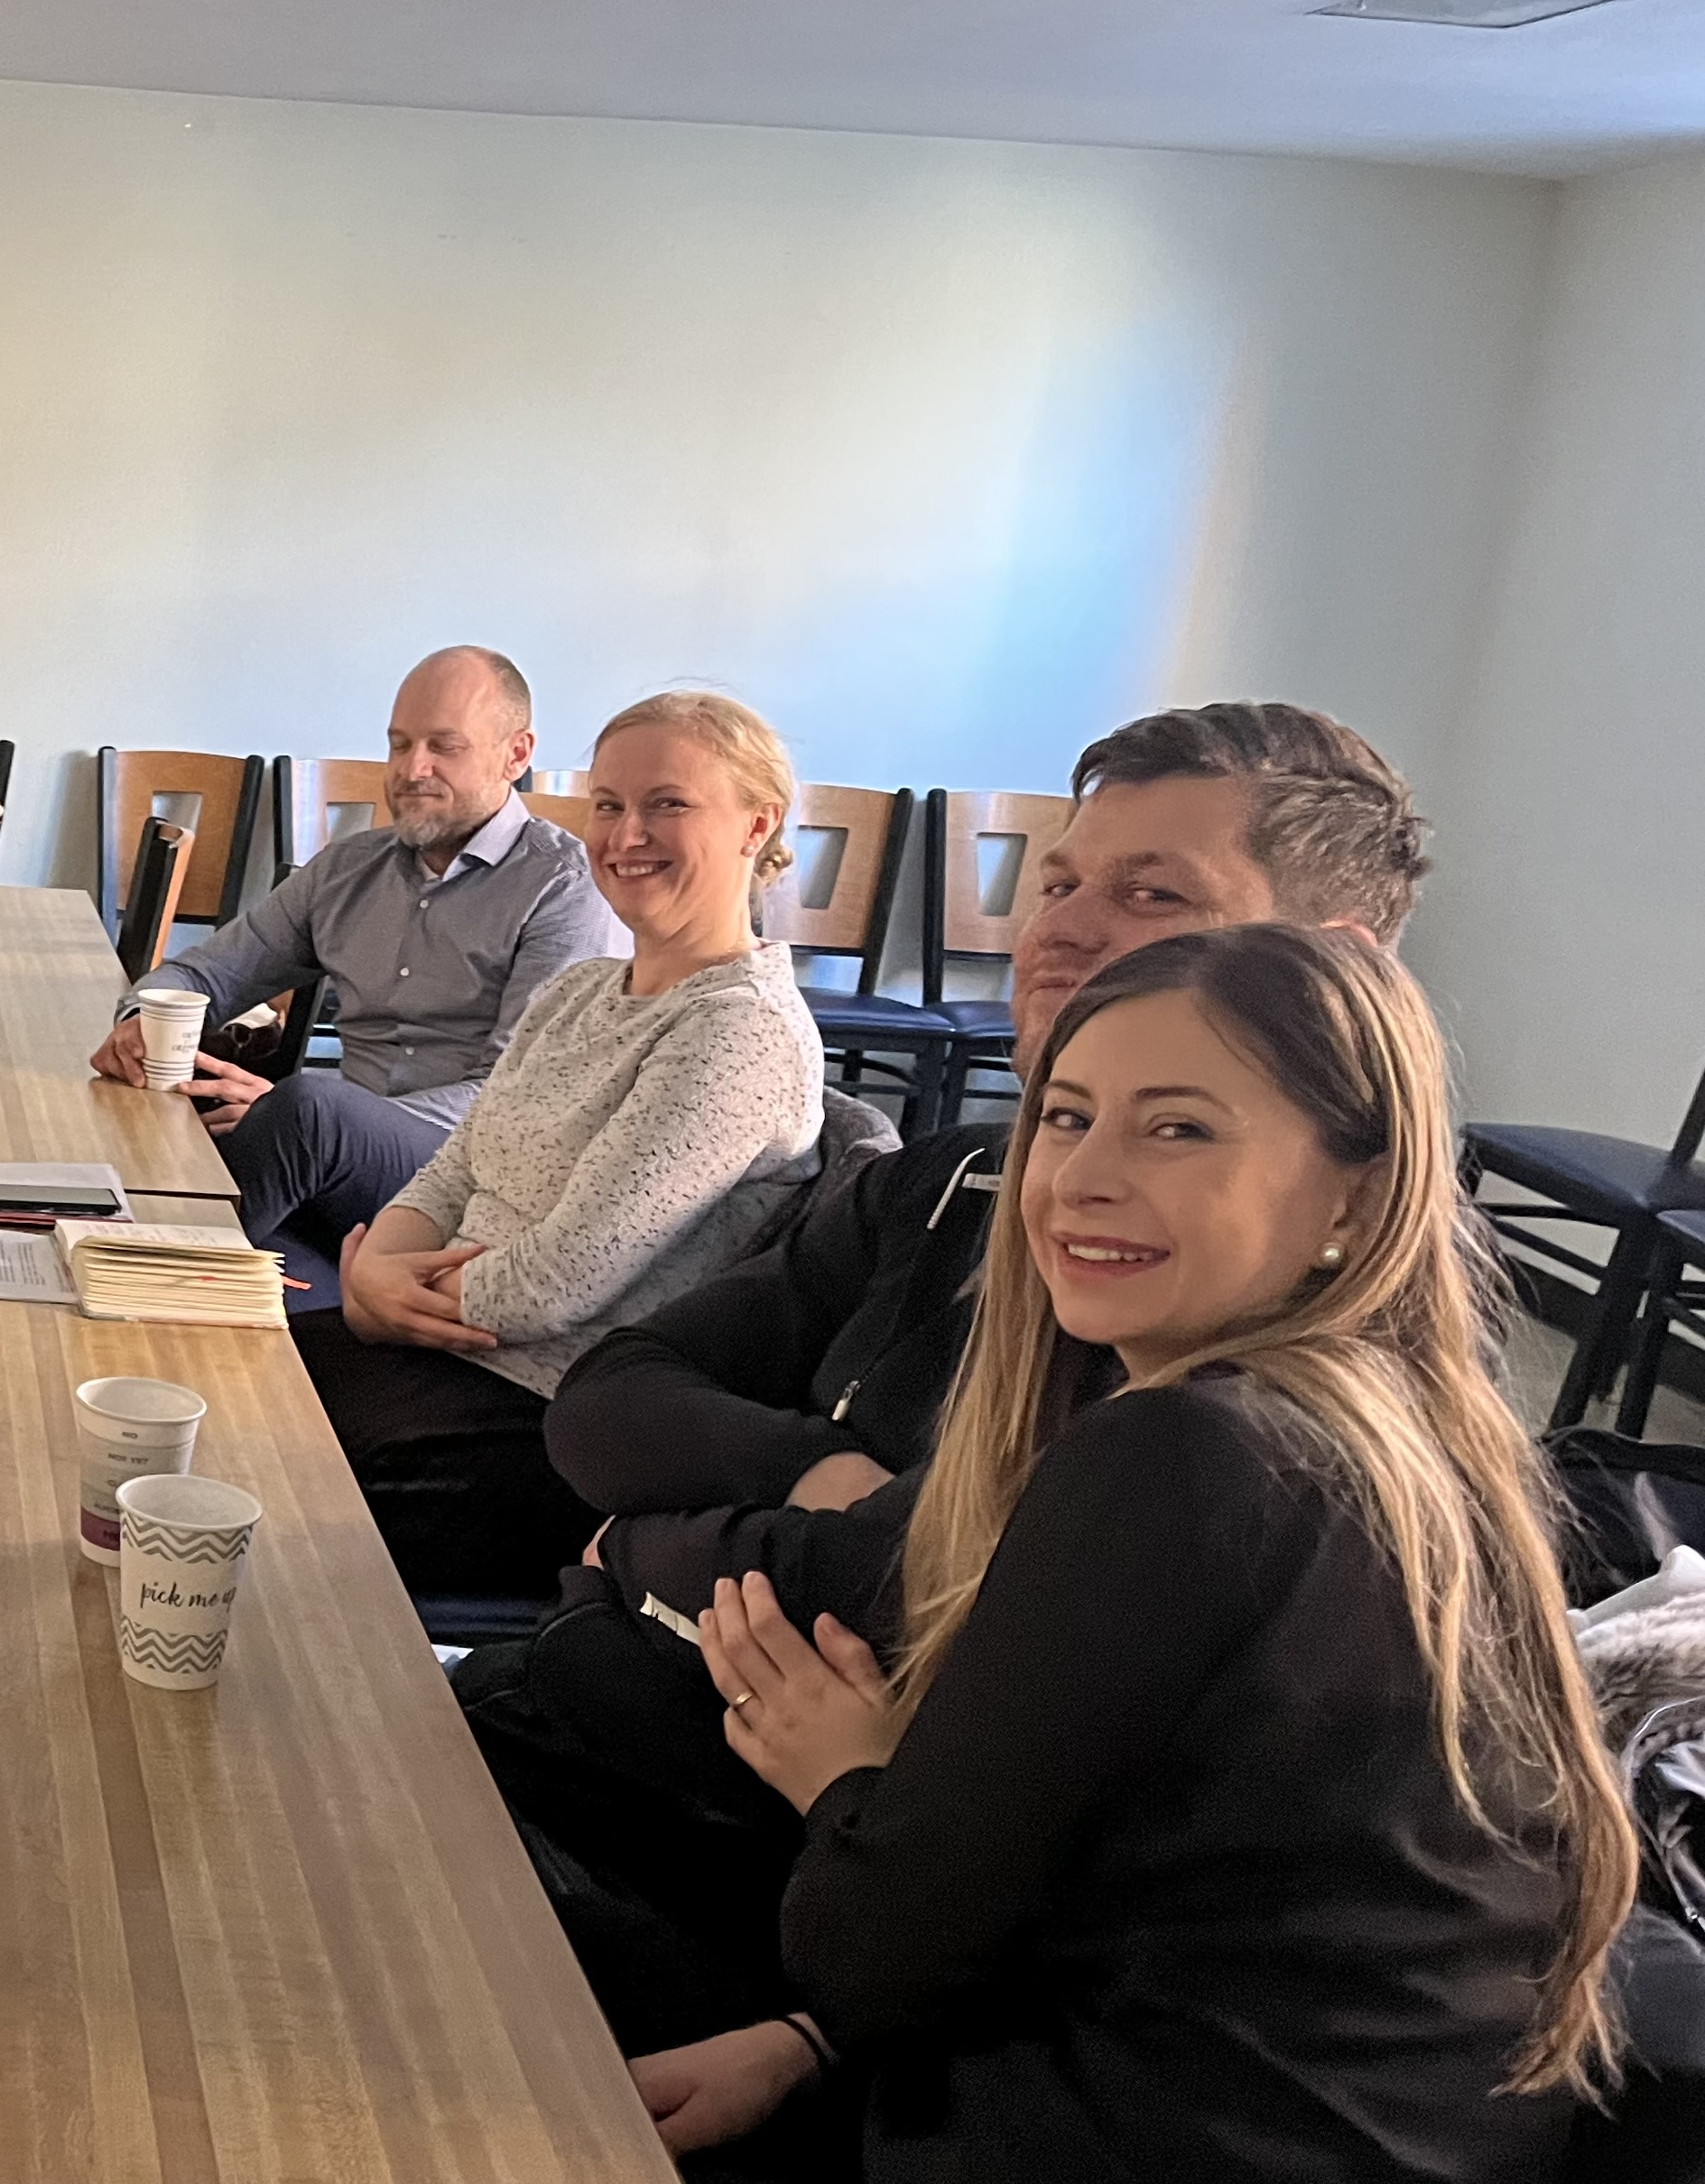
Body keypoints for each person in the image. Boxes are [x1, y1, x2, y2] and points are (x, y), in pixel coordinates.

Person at [466, 704, 1436, 2052]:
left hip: (789, 1896)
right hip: (632, 1738)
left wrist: (643, 1542)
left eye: (1150, 896)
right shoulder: (958, 1182)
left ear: (1333, 980)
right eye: (1059, 884)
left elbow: (926, 1598)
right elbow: (610, 1399)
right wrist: (812, 1473)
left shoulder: (1255, 1402)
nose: (1058, 934)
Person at [631, 924, 1624, 2179]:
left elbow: (866, 1951)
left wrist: (842, 1776)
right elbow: (1169, 1895)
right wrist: (810, 2041)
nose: (1080, 1179)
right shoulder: (1406, 1435)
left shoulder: (1186, 1454)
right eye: (1065, 1118)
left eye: (1177, 1129)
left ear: (1353, 1199)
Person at [298, 689, 831, 1598]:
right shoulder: (578, 992)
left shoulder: (740, 1030)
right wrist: (380, 1270)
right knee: (190, 1378)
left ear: (757, 825)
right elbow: (456, 1168)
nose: (626, 835)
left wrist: (384, 1294)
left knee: (229, 1463)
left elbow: (562, 1278)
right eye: (608, 805)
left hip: (548, 1423)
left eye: (667, 803)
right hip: (440, 1362)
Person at [87, 647, 617, 1291]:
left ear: (516, 753)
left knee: (311, 1108)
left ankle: (133, 1275)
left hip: (468, 1177)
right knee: (186, 1133)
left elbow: (513, 1097)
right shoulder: (348, 870)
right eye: (399, 745)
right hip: (337, 1172)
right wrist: (142, 1020)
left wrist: (324, 1122)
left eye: (444, 747)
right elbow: (206, 976)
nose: (412, 769)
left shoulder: (563, 889)